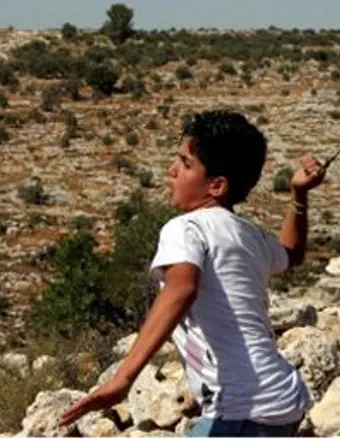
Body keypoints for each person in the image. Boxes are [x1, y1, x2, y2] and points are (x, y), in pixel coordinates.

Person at [60, 110, 325, 436]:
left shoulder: (185, 228)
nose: (172, 171)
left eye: (185, 164)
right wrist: (299, 196)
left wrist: (123, 378)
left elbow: (181, 289)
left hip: (241, 406)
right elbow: (292, 254)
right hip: (283, 398)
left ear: (216, 186)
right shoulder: (250, 235)